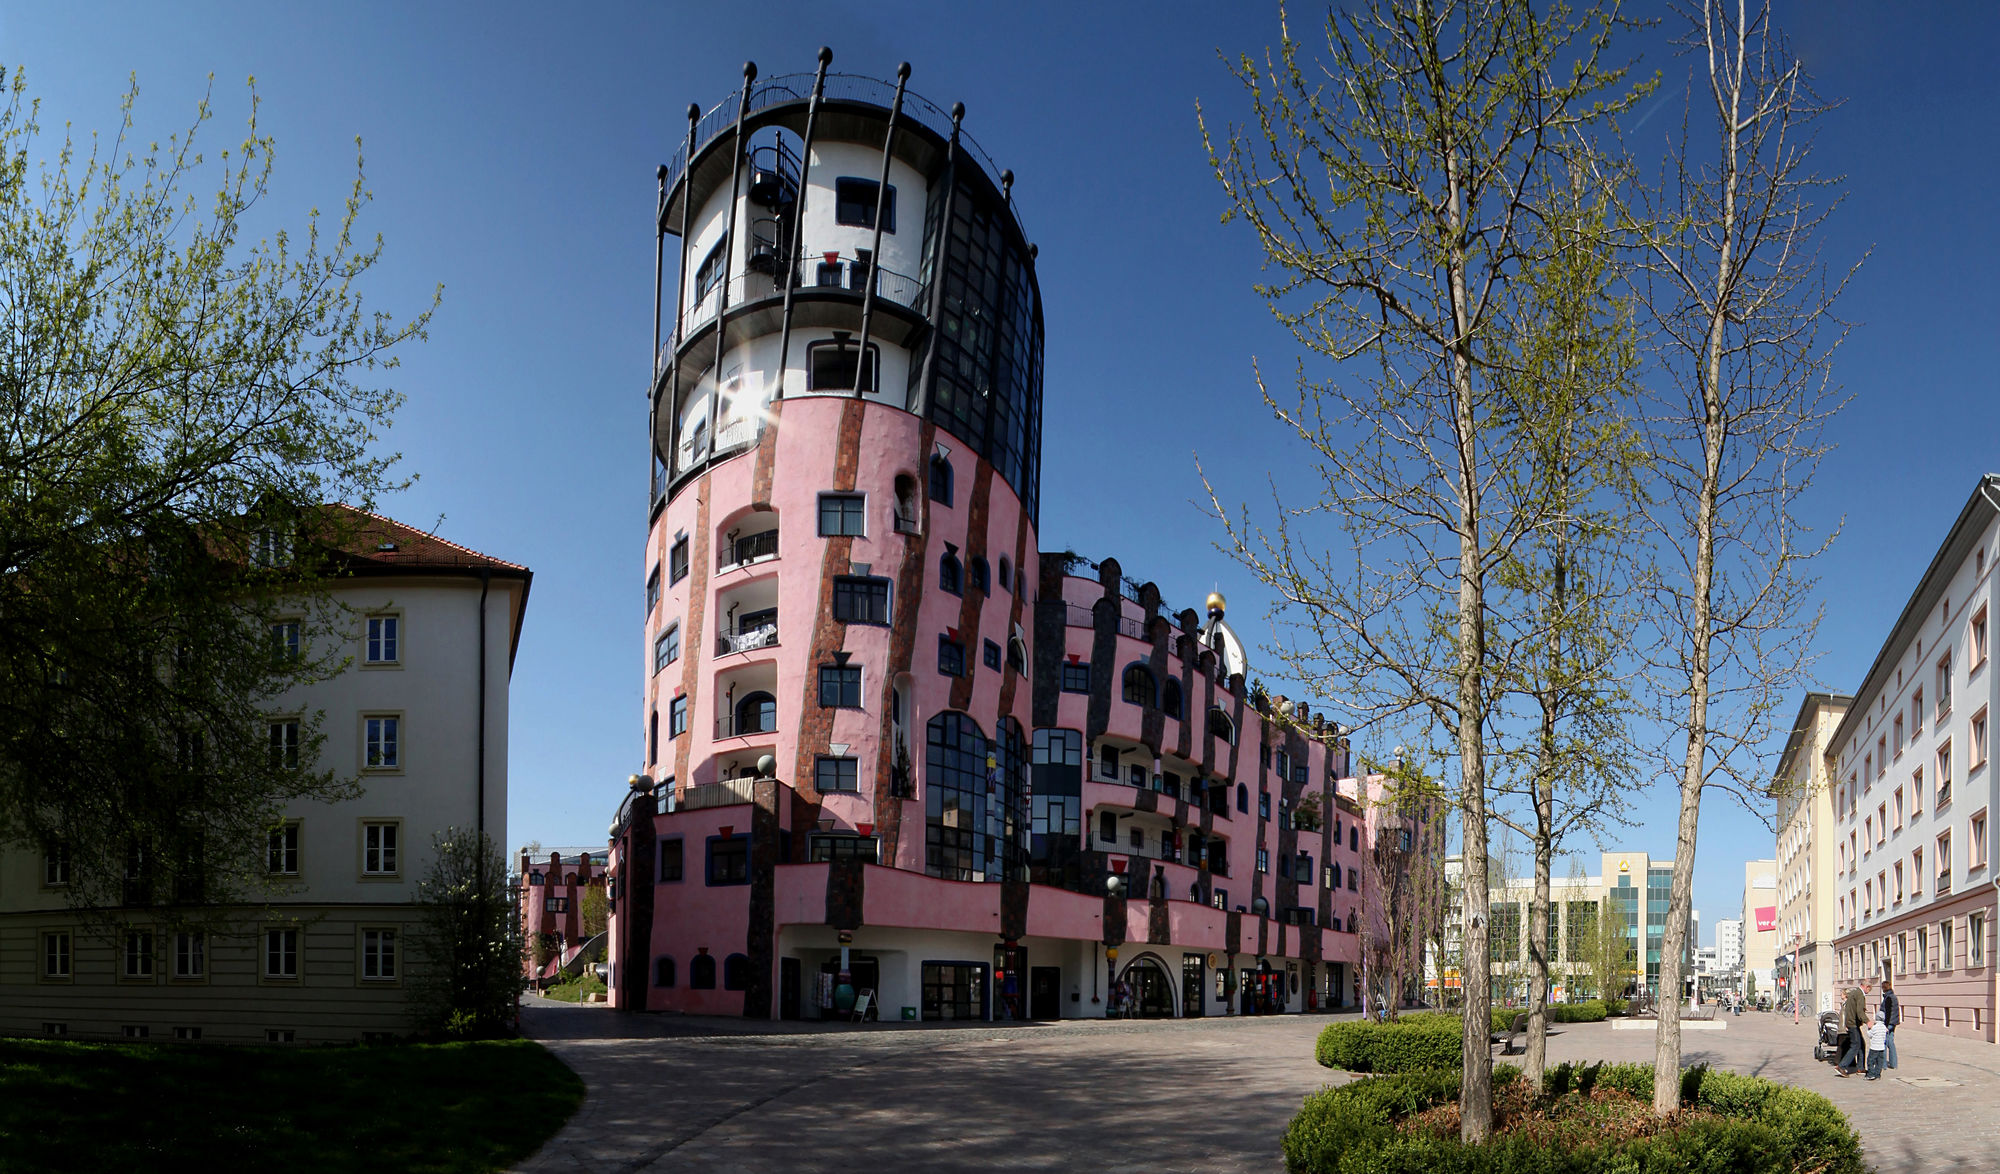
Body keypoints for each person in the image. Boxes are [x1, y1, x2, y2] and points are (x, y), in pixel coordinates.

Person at [1836, 979, 1870, 1077]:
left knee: (1861, 1044)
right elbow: (1859, 1011)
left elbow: (1848, 1009)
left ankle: (1860, 1068)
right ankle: (1841, 1066)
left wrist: (1847, 1022)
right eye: (1869, 989)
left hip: (1851, 1023)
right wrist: (1867, 1021)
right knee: (1856, 1045)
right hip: (1853, 1024)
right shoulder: (1860, 995)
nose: (1868, 992)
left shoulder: (1853, 993)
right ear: (1866, 987)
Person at [1880, 977, 1900, 1070]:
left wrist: (1885, 1025)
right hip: (1894, 1022)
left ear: (1884, 988)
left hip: (1888, 1023)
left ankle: (1883, 1064)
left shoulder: (1888, 998)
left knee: (1883, 1042)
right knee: (1891, 1042)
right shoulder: (1893, 996)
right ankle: (1893, 1063)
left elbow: (1888, 1013)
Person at [1864, 1012, 1889, 1080]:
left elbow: (1869, 1035)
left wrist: (1868, 1029)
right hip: (1881, 1048)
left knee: (1870, 1061)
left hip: (1874, 1047)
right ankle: (1877, 1074)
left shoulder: (1874, 1027)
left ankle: (1871, 1074)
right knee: (1879, 1062)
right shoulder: (1884, 1027)